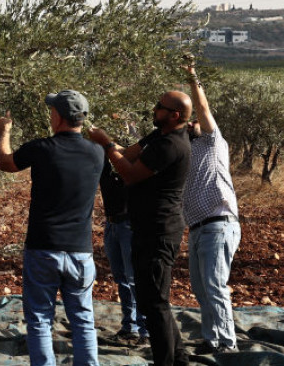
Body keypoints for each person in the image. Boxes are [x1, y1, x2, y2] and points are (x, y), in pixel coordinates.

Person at [0, 91, 103, 366]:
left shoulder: (42, 149)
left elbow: (5, 163)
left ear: (58, 117)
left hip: (44, 248)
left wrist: (3, 132)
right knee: (83, 320)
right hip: (80, 251)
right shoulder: (97, 153)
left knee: (40, 320)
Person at [89, 90, 193, 366]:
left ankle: (166, 361)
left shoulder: (171, 145)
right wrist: (109, 144)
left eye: (160, 107)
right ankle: (178, 359)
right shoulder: (157, 137)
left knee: (155, 304)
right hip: (145, 228)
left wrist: (105, 144)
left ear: (175, 115)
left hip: (160, 231)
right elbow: (128, 154)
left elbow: (130, 173)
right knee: (152, 302)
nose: (154, 108)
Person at [183, 61, 240, 355]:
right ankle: (212, 339)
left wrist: (192, 76)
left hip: (218, 223)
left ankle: (228, 345)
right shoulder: (188, 149)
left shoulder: (212, 141)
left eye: (192, 121)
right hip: (197, 227)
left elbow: (203, 109)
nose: (191, 123)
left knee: (215, 285)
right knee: (201, 288)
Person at [98, 140, 147, 344]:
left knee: (134, 278)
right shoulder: (107, 172)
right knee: (121, 279)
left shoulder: (134, 174)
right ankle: (129, 326)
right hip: (111, 226)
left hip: (129, 226)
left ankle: (145, 330)